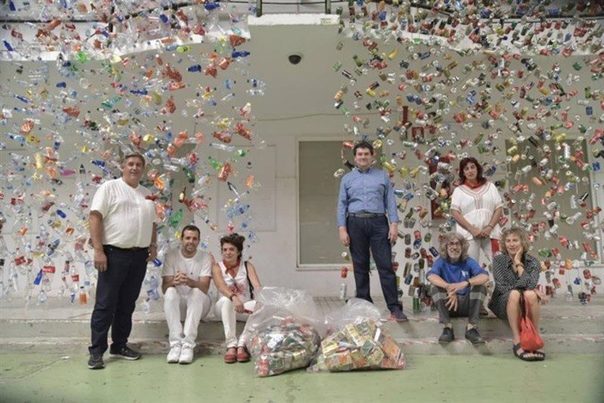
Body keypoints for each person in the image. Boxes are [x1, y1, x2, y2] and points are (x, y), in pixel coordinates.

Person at [87, 153, 158, 370]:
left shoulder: (147, 194)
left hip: (139, 257)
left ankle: (119, 345)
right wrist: (98, 250)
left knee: (127, 304)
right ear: (123, 167)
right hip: (113, 254)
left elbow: (153, 223)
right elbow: (95, 217)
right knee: (105, 304)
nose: (134, 168)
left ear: (143, 169)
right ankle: (96, 351)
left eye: (138, 165)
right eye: (130, 164)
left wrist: (153, 245)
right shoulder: (109, 188)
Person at [337, 140, 406, 322]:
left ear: (372, 156)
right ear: (355, 157)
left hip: (378, 224)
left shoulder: (382, 176)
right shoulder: (347, 179)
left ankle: (394, 308)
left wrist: (394, 224)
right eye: (360, 154)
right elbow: (342, 205)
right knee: (360, 267)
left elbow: (390, 202)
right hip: (355, 223)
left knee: (385, 266)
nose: (363, 157)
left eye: (366, 154)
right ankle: (364, 306)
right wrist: (342, 228)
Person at [489, 227, 547, 361]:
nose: (511, 244)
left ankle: (534, 337)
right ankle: (517, 340)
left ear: (523, 242)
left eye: (515, 240)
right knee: (516, 293)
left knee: (530, 294)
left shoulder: (532, 262)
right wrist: (527, 289)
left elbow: (531, 285)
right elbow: (502, 287)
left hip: (523, 302)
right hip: (502, 303)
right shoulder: (498, 260)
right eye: (508, 241)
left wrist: (518, 264)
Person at [162, 225, 213, 364]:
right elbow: (164, 288)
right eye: (188, 238)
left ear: (199, 241)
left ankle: (188, 345)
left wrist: (190, 282)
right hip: (179, 306)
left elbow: (205, 288)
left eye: (195, 239)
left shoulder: (205, 257)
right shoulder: (171, 255)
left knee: (196, 292)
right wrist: (174, 281)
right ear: (181, 239)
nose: (191, 241)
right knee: (170, 291)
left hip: (200, 305)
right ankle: (175, 345)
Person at [427, 233, 489, 344]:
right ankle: (447, 327)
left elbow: (484, 276)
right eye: (451, 244)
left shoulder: (468, 261)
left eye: (457, 244)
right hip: (449, 305)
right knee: (435, 288)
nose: (454, 247)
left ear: (462, 246)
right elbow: (431, 276)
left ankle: (471, 327)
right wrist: (448, 287)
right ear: (446, 247)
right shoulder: (441, 261)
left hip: (466, 305)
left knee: (481, 287)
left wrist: (465, 283)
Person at [212, 233, 261, 363]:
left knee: (260, 306)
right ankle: (231, 345)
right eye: (224, 250)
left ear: (238, 251)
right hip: (224, 307)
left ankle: (242, 344)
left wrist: (260, 302)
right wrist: (233, 297)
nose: (227, 252)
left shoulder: (247, 266)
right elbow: (221, 286)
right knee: (227, 300)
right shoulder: (217, 267)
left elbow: (257, 287)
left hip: (244, 307)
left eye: (231, 249)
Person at [450, 157, 504, 265]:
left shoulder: (490, 186)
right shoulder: (458, 191)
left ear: (477, 168)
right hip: (469, 235)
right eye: (466, 169)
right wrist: (472, 229)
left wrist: (489, 227)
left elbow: (498, 208)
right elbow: (455, 213)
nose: (470, 171)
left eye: (472, 167)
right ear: (463, 172)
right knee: (470, 267)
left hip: (491, 233)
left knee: (500, 264)